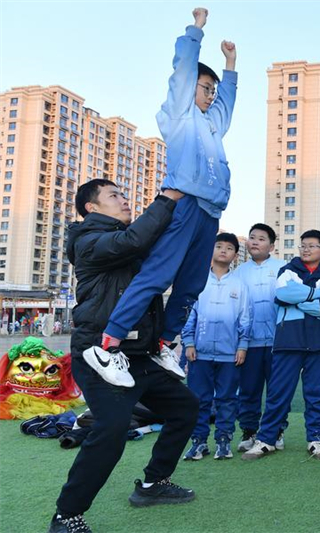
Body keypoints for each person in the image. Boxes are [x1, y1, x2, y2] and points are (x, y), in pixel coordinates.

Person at [83, 7, 238, 388]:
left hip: (209, 211)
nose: (210, 95)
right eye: (206, 88)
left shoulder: (213, 125)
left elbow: (227, 104)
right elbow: (182, 71)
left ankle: (165, 343)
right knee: (158, 275)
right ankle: (107, 344)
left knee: (190, 285)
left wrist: (231, 65)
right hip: (184, 205)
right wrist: (196, 31)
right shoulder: (179, 114)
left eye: (212, 91)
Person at [49, 179, 198, 533]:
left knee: (185, 409)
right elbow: (135, 240)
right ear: (92, 208)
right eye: (114, 196)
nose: (125, 200)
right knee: (111, 429)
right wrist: (166, 199)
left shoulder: (126, 240)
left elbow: (160, 252)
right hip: (101, 353)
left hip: (140, 354)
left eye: (124, 194)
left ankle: (153, 483)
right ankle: (66, 516)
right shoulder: (88, 241)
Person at [242, 230, 320, 461]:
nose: (306, 249)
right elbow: (284, 293)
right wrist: (318, 295)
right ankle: (266, 439)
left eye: (312, 246)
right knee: (278, 393)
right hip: (288, 341)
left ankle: (315, 439)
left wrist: (300, 303)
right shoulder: (286, 271)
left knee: (316, 394)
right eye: (303, 245)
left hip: (319, 343)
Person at [182, 233, 251, 461]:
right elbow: (189, 314)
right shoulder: (198, 281)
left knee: (227, 399)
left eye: (229, 248)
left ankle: (224, 440)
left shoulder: (239, 285)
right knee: (198, 399)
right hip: (199, 353)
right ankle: (199, 442)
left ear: (235, 255)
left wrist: (242, 346)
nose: (223, 250)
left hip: (229, 355)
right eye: (219, 246)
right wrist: (189, 342)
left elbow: (244, 318)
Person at [235, 224, 287, 452]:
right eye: (252, 238)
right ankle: (249, 431)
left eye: (262, 239)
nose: (255, 242)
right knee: (249, 389)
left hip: (278, 342)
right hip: (249, 343)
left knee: (277, 390)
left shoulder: (283, 268)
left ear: (272, 246)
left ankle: (276, 431)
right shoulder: (238, 272)